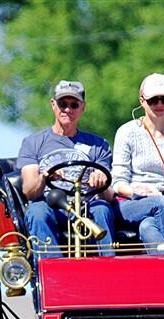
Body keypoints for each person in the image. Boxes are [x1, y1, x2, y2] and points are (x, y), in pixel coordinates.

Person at [17, 80, 115, 258]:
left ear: (82, 107)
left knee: (102, 208)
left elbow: (108, 195)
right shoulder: (33, 142)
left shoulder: (98, 145)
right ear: (53, 105)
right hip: (51, 205)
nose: (68, 110)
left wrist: (101, 180)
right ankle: (53, 276)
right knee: (36, 212)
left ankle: (108, 272)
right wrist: (44, 176)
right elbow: (29, 191)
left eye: (74, 104)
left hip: (87, 204)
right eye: (62, 104)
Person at [110, 73, 164, 254]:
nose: (159, 105)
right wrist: (136, 192)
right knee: (161, 204)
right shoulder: (126, 132)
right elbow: (117, 181)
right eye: (153, 100)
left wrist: (163, 193)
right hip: (130, 203)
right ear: (142, 101)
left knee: (148, 227)